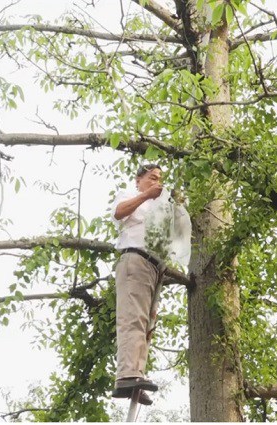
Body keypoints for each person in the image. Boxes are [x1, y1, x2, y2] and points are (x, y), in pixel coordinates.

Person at [110, 163, 167, 406]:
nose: (157, 183)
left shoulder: (160, 208)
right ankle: (127, 375)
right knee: (132, 317)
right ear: (138, 179)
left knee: (145, 325)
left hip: (154, 268)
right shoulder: (129, 195)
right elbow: (119, 212)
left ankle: (136, 374)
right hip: (135, 259)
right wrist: (145, 196)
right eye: (152, 178)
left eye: (159, 179)